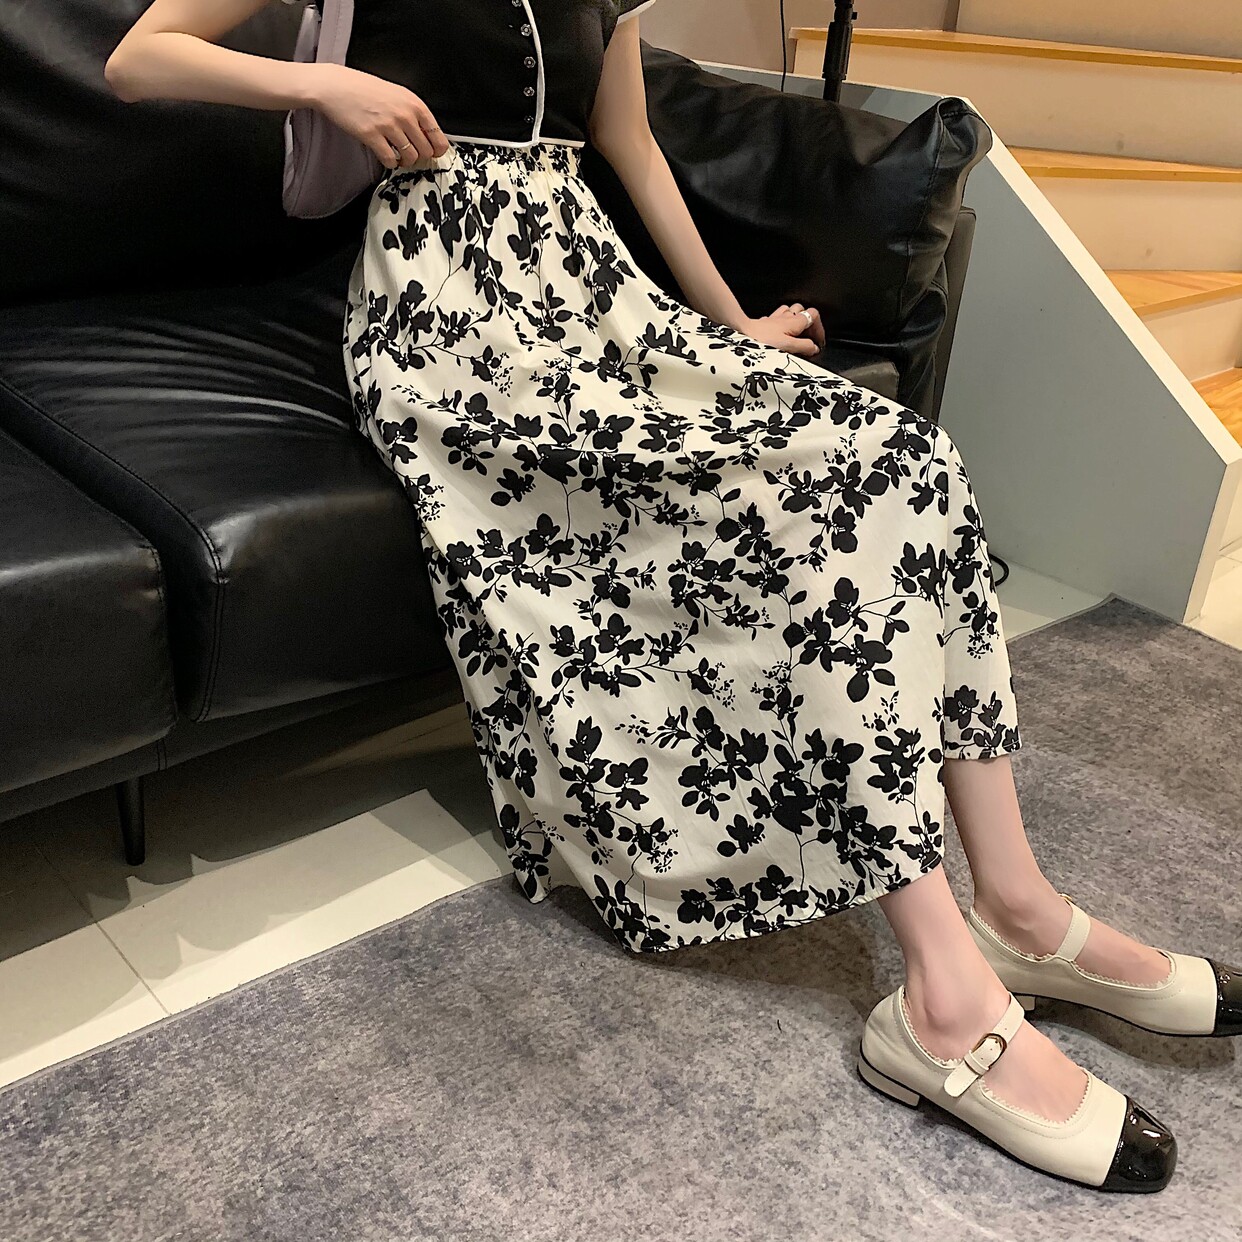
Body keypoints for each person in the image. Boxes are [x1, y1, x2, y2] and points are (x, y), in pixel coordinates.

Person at [105, 0, 1238, 1194]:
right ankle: (944, 998)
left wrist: (730, 323)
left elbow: (631, 146)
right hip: (451, 315)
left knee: (905, 458)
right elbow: (139, 58)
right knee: (795, 505)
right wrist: (322, 88)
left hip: (597, 296)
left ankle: (1014, 903)